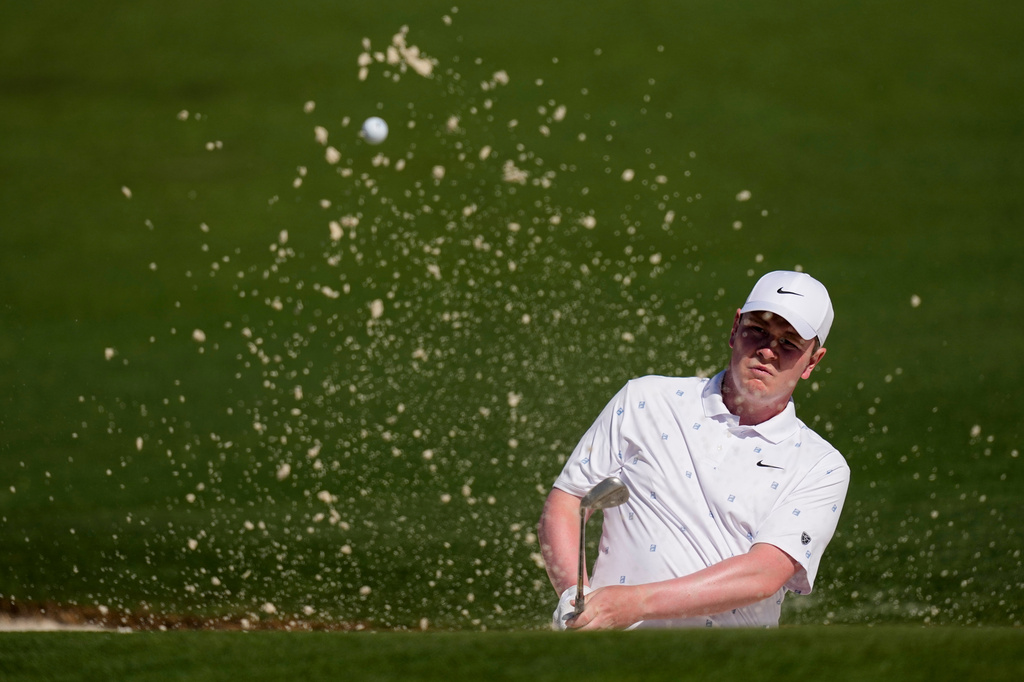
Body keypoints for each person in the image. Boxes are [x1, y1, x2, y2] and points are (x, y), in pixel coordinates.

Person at [538, 270, 850, 630]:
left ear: (813, 361)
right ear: (735, 328)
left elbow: (764, 573)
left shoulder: (821, 465)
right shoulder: (646, 400)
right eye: (758, 330)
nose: (768, 350)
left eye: (789, 343)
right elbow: (567, 501)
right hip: (613, 650)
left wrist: (635, 604)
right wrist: (573, 598)